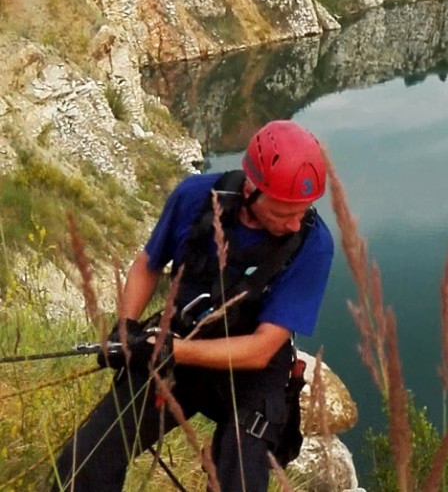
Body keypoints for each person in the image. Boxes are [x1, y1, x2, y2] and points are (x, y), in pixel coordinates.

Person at [51, 120, 334, 492]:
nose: (297, 224)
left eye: (303, 210)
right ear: (252, 189)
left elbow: (262, 349)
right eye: (284, 213)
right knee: (84, 460)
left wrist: (173, 349)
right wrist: (127, 328)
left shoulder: (313, 244)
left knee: (241, 475)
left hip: (248, 372)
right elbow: (148, 264)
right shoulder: (196, 198)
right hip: (178, 349)